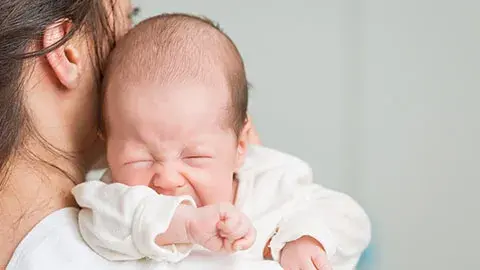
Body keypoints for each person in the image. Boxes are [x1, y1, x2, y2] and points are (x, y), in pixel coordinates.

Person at [71, 13, 371, 270]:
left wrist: (305, 238)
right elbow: (101, 225)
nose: (168, 179)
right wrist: (184, 224)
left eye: (194, 157)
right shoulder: (112, 203)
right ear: (107, 147)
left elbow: (350, 217)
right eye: (140, 159)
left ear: (240, 146)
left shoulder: (272, 183)